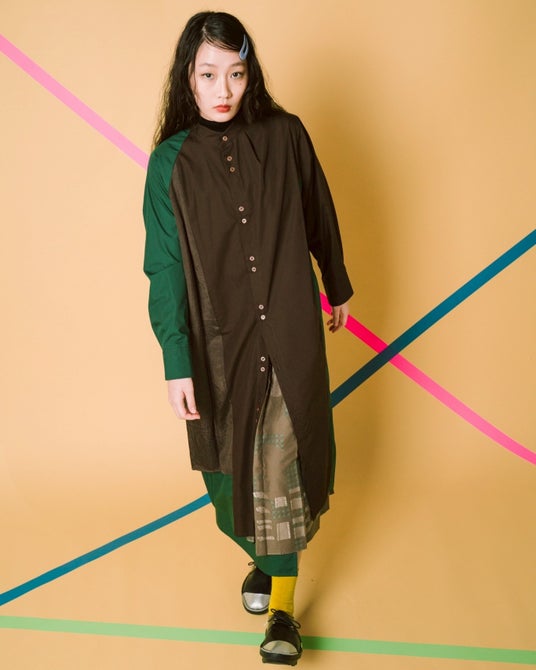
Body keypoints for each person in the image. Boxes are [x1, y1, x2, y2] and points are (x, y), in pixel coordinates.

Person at [142, 11, 353, 666]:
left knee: (281, 465)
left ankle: (283, 610)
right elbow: (164, 267)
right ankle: (264, 557)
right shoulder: (170, 163)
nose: (223, 89)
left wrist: (336, 284)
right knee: (229, 478)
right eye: (208, 74)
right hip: (218, 345)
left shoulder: (285, 135)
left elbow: (318, 210)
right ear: (187, 77)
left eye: (235, 73)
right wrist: (177, 358)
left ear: (249, 73)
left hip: (289, 330)